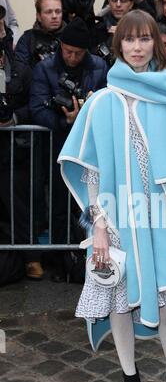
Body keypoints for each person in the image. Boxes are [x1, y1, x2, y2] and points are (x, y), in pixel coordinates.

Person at [58, 9, 166, 382]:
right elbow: (91, 171)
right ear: (118, 45)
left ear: (156, 44)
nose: (136, 47)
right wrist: (97, 227)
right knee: (120, 305)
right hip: (118, 218)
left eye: (144, 39)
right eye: (128, 40)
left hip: (165, 219)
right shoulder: (102, 101)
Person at [30, 17, 108, 281]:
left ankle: (90, 257)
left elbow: (107, 102)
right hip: (57, 148)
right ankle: (62, 261)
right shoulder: (45, 68)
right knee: (58, 205)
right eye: (67, 51)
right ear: (60, 46)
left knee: (90, 204)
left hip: (91, 150)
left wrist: (84, 117)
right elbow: (37, 109)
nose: (72, 57)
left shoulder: (98, 66)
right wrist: (66, 121)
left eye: (77, 52)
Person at [0, 4, 43, 280]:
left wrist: (13, 118)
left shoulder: (18, 65)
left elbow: (33, 103)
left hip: (10, 147)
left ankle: (29, 257)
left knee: (16, 202)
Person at [15, 0, 65, 70]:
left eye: (58, 11)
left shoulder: (71, 37)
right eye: (49, 12)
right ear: (39, 16)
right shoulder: (28, 39)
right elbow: (19, 71)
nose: (54, 16)